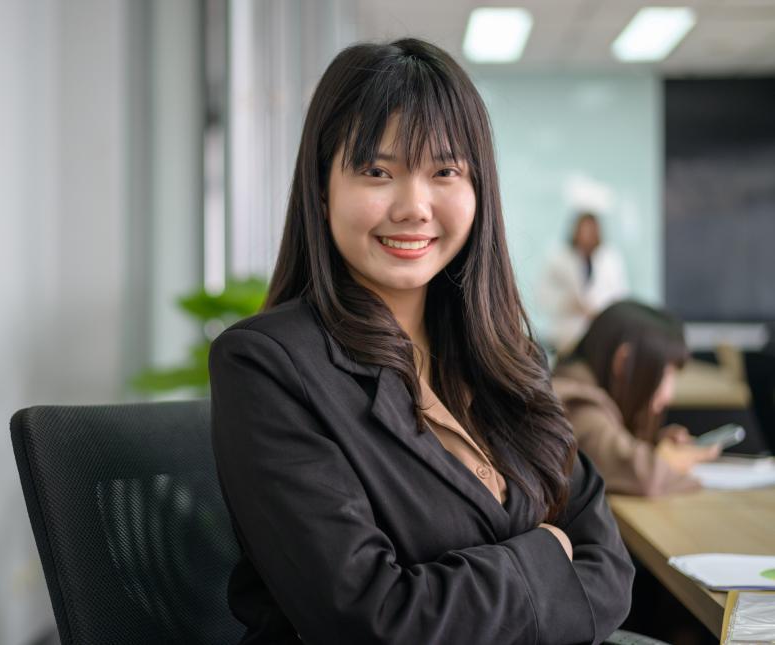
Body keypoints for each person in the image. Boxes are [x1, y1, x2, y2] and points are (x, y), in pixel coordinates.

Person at [209, 38, 634, 645]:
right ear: (322, 186)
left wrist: (478, 587)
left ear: (477, 190)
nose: (413, 207)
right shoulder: (269, 365)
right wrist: (546, 556)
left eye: (444, 171)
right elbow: (369, 618)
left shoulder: (502, 355)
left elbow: (609, 566)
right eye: (377, 171)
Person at [552, 301, 721, 496]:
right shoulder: (577, 404)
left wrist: (656, 445)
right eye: (666, 374)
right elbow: (644, 476)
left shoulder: (573, 382)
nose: (668, 394)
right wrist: (672, 460)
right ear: (624, 361)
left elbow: (613, 455)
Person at [538, 212, 629, 354]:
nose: (586, 235)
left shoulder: (610, 259)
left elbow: (619, 296)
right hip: (566, 334)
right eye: (583, 230)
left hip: (600, 332)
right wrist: (569, 303)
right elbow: (543, 296)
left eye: (590, 230)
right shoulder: (559, 258)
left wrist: (596, 310)